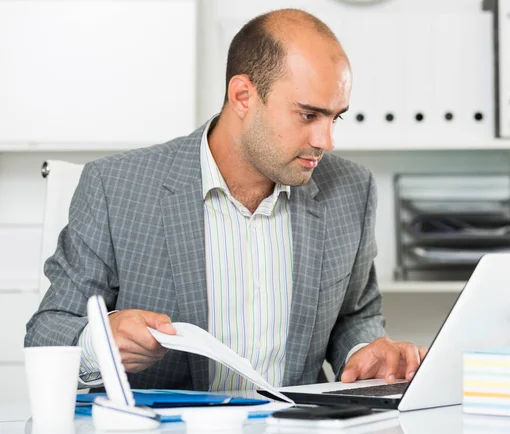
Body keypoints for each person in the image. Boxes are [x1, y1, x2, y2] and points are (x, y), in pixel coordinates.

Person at [25, 8, 426, 391]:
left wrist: (364, 351)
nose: (326, 141)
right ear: (242, 96)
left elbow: (355, 315)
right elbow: (47, 332)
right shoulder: (116, 188)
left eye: (334, 117)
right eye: (307, 115)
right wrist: (100, 342)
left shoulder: (352, 190)